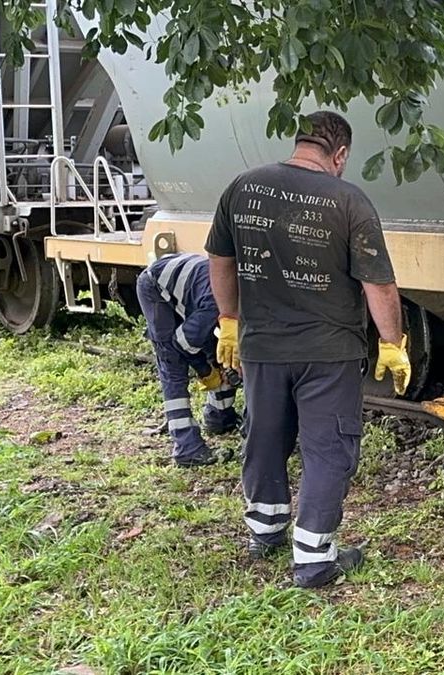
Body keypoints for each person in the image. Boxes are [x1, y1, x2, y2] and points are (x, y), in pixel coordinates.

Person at [205, 110, 411, 588]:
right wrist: (392, 344)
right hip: (328, 351)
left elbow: (220, 258)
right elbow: (378, 286)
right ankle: (315, 561)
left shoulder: (242, 187)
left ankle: (265, 532)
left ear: (300, 142)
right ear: (339, 154)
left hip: (261, 347)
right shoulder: (349, 201)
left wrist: (230, 321)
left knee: (265, 435)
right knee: (327, 448)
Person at [137, 252, 244, 467]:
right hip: (155, 287)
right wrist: (205, 371)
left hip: (193, 289)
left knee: (221, 351)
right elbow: (182, 343)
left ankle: (219, 418)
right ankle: (187, 447)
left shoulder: (244, 305)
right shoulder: (216, 305)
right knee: (173, 363)